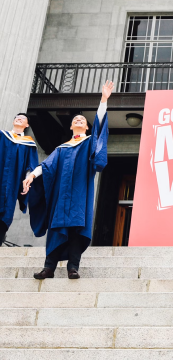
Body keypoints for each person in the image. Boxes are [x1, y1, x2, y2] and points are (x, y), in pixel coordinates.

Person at [22, 81, 113, 279]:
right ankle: (49, 268)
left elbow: (99, 130)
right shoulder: (61, 148)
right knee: (57, 229)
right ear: (71, 126)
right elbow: (47, 166)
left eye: (82, 120)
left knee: (75, 230)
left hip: (80, 195)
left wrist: (103, 100)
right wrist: (31, 176)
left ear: (86, 127)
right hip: (61, 197)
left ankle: (73, 267)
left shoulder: (89, 142)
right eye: (76, 120)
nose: (79, 120)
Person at [0, 114, 39, 245]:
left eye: (23, 118)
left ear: (27, 125)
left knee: (5, 213)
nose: (19, 118)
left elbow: (30, 165)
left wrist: (28, 180)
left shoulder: (28, 143)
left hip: (11, 184)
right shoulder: (2, 136)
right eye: (17, 117)